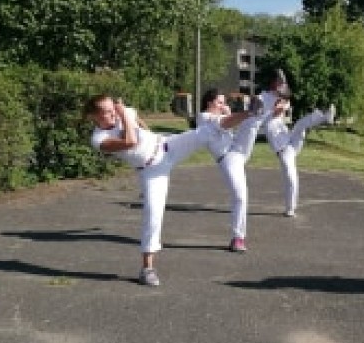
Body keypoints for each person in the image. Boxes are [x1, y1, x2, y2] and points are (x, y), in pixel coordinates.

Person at [84, 94, 212, 286]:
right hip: (152, 171)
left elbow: (137, 120)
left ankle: (249, 120)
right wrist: (123, 114)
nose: (112, 114)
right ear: (94, 116)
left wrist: (149, 133)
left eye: (112, 109)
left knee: (206, 132)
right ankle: (147, 269)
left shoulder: (125, 112)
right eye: (105, 112)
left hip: (167, 146)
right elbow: (130, 142)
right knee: (153, 215)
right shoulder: (99, 138)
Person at [197, 87, 271, 253]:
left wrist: (245, 113)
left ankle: (269, 95)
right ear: (210, 103)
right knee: (240, 196)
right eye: (220, 102)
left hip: (238, 148)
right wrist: (245, 113)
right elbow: (224, 123)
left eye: (224, 102)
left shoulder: (223, 114)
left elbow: (232, 123)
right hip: (228, 159)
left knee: (253, 122)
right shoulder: (203, 117)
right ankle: (238, 238)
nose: (223, 105)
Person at [264, 97, 336, 217]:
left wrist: (284, 101)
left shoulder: (279, 118)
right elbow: (277, 110)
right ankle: (290, 209)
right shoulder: (269, 117)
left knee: (300, 124)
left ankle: (325, 117)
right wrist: (283, 104)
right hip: (284, 152)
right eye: (278, 104)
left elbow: (282, 107)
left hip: (292, 143)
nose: (281, 108)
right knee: (291, 179)